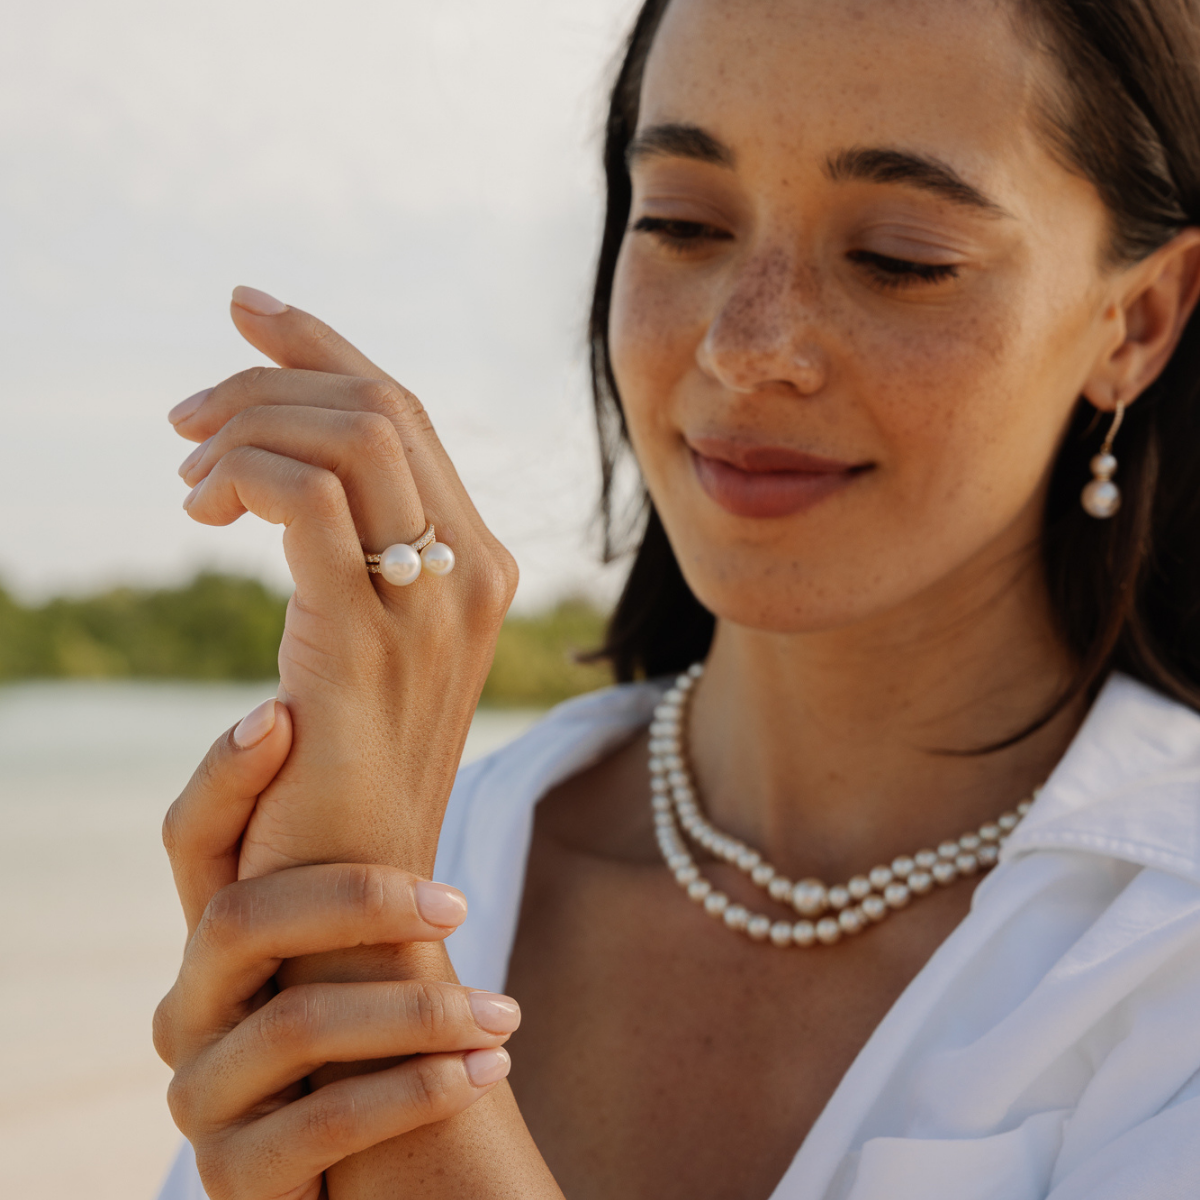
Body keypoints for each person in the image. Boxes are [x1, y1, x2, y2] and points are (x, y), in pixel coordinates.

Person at [151, 0, 1200, 1196]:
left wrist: (379, 1016)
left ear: (1140, 319)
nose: (748, 344)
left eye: (902, 256)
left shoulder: (1166, 945)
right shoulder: (441, 850)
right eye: (684, 224)